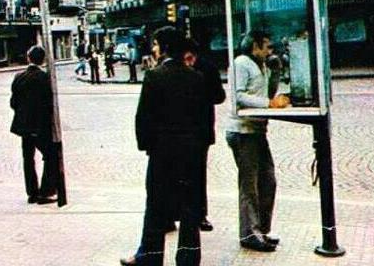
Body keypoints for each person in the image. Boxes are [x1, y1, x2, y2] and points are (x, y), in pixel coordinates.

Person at [121, 26, 206, 266]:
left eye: (156, 44)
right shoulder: (196, 77)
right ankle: (188, 257)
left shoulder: (154, 76)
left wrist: (147, 145)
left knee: (157, 205)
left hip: (163, 152)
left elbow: (143, 118)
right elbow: (203, 118)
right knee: (190, 207)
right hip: (190, 152)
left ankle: (150, 256)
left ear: (165, 47)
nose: (154, 49)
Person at [225, 31, 290, 252]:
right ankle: (249, 234)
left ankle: (261, 229)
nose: (270, 51)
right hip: (243, 131)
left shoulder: (260, 65)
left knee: (267, 180)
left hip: (257, 130)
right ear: (255, 46)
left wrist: (276, 71)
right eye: (267, 47)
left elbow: (268, 94)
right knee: (249, 186)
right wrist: (269, 104)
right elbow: (239, 96)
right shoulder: (241, 64)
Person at [183, 38, 226, 232]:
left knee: (198, 173)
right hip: (184, 129)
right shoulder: (177, 68)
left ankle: (200, 214)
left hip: (199, 128)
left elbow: (219, 96)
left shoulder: (207, 68)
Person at [9, 45, 58, 205]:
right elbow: (48, 104)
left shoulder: (18, 77)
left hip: (23, 127)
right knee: (50, 156)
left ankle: (32, 193)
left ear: (28, 58)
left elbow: (13, 103)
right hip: (39, 126)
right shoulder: (44, 78)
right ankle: (46, 191)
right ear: (43, 60)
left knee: (28, 159)